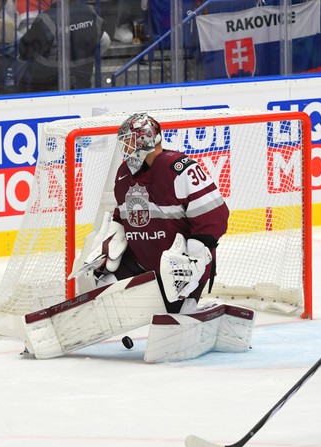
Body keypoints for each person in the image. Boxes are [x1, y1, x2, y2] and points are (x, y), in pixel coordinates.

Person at [84, 112, 230, 315]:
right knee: (103, 280)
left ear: (144, 139)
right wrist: (112, 239)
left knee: (179, 313)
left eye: (129, 141)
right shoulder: (124, 173)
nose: (126, 149)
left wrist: (196, 256)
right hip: (140, 261)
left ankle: (189, 308)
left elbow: (214, 216)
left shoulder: (180, 169)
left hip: (177, 267)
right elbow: (123, 214)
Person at [17, 0, 109, 92]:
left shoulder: (46, 19)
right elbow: (104, 39)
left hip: (44, 88)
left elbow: (23, 50)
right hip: (82, 85)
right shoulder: (91, 12)